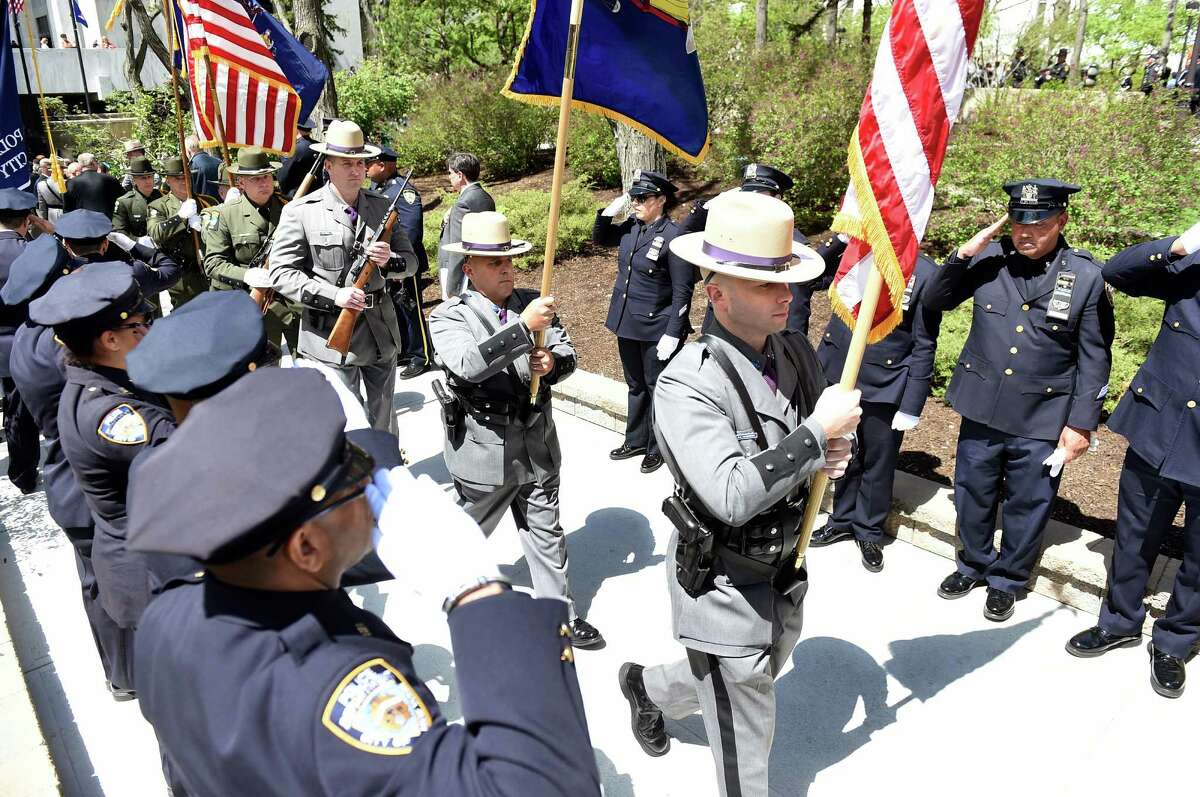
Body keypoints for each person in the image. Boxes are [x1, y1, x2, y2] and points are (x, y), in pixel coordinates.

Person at [126, 367, 601, 796]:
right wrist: (474, 590)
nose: (376, 484)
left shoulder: (168, 616)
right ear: (306, 548)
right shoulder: (337, 695)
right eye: (355, 476)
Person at [619, 192, 859, 797]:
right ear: (717, 293)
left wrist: (828, 453)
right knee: (747, 744)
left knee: (755, 671)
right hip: (723, 579)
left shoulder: (796, 350)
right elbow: (729, 494)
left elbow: (805, 445)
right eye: (764, 285)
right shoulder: (687, 382)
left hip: (782, 566)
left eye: (787, 281)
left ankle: (647, 687)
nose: (786, 295)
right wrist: (814, 437)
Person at [921, 179, 1112, 622]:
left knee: (1029, 502)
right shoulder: (990, 260)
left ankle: (1007, 579)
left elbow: (1095, 356)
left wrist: (1081, 424)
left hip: (1042, 415)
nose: (1026, 234)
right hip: (983, 406)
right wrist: (962, 255)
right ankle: (972, 564)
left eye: (1039, 225)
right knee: (973, 492)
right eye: (1019, 224)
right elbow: (935, 300)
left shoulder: (1084, 275)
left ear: (1061, 221)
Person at [429, 211, 603, 649]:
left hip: (537, 439)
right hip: (485, 446)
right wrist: (524, 328)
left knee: (546, 530)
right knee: (467, 533)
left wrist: (553, 363)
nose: (507, 270)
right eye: (495, 264)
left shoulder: (533, 301)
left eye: (509, 261)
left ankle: (559, 616)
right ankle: (452, 591)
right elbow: (468, 364)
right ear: (469, 269)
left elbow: (566, 352)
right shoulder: (450, 315)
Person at [1066, 221, 1200, 699]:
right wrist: (1182, 244)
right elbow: (1119, 273)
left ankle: (1174, 643)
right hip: (1158, 428)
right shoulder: (1192, 266)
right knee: (1135, 533)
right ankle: (1120, 620)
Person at [27, 262, 172, 697]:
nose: (147, 331)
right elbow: (190, 457)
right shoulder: (112, 414)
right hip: (152, 575)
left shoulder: (104, 380)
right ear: (110, 340)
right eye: (139, 326)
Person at [5, 236, 130, 700]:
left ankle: (119, 675)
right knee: (120, 585)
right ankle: (132, 674)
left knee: (96, 585)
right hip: (97, 482)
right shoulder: (68, 350)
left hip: (65, 481)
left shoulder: (25, 337)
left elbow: (18, 414)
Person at [268, 120, 417, 435]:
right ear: (329, 165)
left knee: (384, 421)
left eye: (360, 163)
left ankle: (390, 473)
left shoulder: (382, 207)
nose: (355, 170)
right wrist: (332, 295)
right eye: (346, 163)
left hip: (380, 332)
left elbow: (412, 262)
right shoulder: (301, 211)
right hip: (329, 334)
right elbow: (280, 272)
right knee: (345, 423)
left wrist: (391, 261)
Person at [808, 253, 942, 572]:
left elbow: (924, 343)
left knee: (877, 461)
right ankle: (841, 520)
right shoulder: (856, 254)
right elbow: (816, 281)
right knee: (842, 453)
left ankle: (868, 530)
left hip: (887, 383)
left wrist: (912, 402)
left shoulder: (923, 273)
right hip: (840, 373)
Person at [593, 170, 696, 474]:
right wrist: (606, 213)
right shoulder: (632, 228)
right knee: (635, 385)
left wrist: (674, 333)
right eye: (633, 197)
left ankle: (657, 447)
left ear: (661, 200)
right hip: (628, 322)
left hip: (656, 328)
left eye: (642, 198)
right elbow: (601, 238)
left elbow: (683, 290)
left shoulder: (673, 237)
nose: (636, 203)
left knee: (656, 388)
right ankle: (636, 439)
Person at [679, 163, 849, 336]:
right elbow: (682, 247)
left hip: (765, 342)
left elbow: (795, 307)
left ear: (777, 200)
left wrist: (788, 351)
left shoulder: (790, 244)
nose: (751, 204)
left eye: (759, 197)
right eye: (746, 197)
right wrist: (705, 208)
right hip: (718, 333)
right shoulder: (731, 234)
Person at [201, 147, 300, 352]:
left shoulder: (290, 209)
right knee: (265, 375)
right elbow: (213, 264)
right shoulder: (222, 215)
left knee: (308, 370)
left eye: (266, 176)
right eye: (255, 179)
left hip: (293, 303)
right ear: (241, 182)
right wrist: (247, 275)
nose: (264, 183)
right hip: (251, 303)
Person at [368, 146, 432, 379]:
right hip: (385, 261)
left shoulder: (404, 191)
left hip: (404, 261)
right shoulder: (377, 188)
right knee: (395, 308)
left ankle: (421, 355)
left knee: (411, 307)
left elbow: (411, 231)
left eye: (369, 163)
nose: (365, 168)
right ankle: (405, 349)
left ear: (383, 165)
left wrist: (398, 261)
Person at [0, 189, 43, 493]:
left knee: (14, 408)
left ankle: (22, 472)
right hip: (30, 340)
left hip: (2, 346)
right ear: (28, 219)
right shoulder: (32, 252)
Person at [56, 209, 182, 307]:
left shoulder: (58, 276)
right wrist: (133, 246)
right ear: (105, 244)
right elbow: (171, 270)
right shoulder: (132, 272)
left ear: (66, 244)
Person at [148, 155, 219, 308]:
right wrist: (180, 217)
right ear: (168, 180)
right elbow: (156, 234)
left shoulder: (208, 202)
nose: (183, 181)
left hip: (210, 271)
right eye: (177, 178)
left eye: (186, 177)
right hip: (183, 278)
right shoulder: (159, 206)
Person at [437, 152, 495, 299]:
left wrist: (452, 289)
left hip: (462, 275)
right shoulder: (486, 197)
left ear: (460, 175)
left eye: (450, 173)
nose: (449, 177)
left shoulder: (462, 203)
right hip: (482, 270)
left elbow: (458, 247)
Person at [112, 156, 160, 240]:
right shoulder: (125, 202)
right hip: (138, 250)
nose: (148, 181)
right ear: (134, 180)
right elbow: (119, 232)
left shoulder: (161, 197)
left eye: (150, 176)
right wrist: (138, 241)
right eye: (143, 178)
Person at [277, 116, 325, 198]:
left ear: (296, 129)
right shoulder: (320, 146)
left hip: (295, 197)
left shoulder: (294, 149)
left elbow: (283, 177)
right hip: (318, 195)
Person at [64, 153, 124, 217]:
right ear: (93, 162)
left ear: (80, 165)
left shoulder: (71, 183)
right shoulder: (110, 179)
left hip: (82, 221)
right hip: (106, 220)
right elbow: (122, 198)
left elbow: (68, 208)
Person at [186, 135, 222, 200]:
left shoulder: (191, 166)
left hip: (203, 206)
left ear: (188, 150)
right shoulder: (219, 162)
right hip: (222, 205)